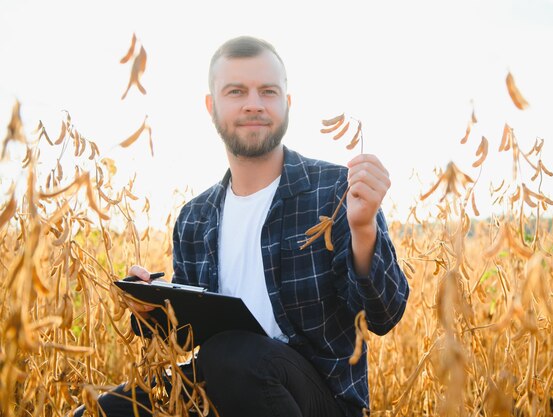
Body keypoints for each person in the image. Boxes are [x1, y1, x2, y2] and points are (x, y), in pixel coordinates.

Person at [74, 35, 409, 417]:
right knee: (104, 410)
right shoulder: (195, 218)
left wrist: (364, 230)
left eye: (268, 91)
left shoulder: (337, 192)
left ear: (287, 103)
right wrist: (151, 308)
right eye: (236, 92)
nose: (254, 104)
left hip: (320, 400)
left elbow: (383, 315)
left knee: (234, 355)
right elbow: (188, 338)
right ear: (211, 105)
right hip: (223, 383)